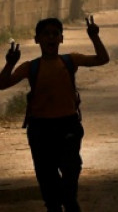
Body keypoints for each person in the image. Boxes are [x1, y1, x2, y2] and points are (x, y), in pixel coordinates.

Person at [0, 16, 110, 212]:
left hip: (68, 126)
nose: (50, 37)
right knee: (48, 182)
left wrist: (94, 37)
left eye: (55, 34)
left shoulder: (70, 61)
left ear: (61, 38)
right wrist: (9, 63)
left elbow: (102, 59)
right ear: (37, 39)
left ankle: (69, 201)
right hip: (40, 131)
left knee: (70, 175)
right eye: (46, 34)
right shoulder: (30, 67)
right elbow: (1, 84)